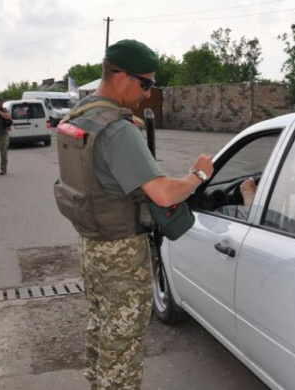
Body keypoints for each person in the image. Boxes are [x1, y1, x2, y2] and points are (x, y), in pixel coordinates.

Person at [53, 39, 213, 390]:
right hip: (121, 254)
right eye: (146, 84)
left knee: (102, 331)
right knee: (122, 350)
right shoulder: (117, 130)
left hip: (92, 245)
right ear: (122, 77)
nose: (148, 94)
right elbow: (164, 193)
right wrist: (199, 174)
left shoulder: (80, 115)